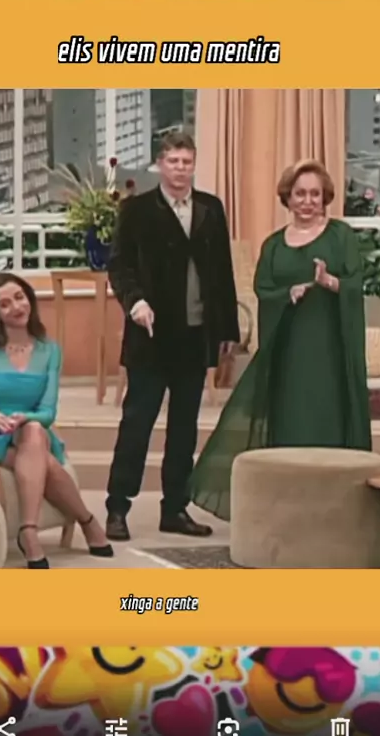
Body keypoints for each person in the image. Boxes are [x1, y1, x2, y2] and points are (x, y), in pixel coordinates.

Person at [189, 159, 372, 522]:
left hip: (330, 352)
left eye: (315, 194)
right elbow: (263, 289)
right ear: (287, 197)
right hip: (287, 352)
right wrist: (287, 294)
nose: (308, 201)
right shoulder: (273, 245)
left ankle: (331, 511)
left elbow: (355, 284)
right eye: (300, 194)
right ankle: (290, 510)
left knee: (326, 422)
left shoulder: (341, 237)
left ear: (326, 197)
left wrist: (329, 282)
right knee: (289, 423)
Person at [106, 130, 240, 541]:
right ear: (160, 165)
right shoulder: (137, 210)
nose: (180, 169)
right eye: (173, 161)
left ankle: (175, 508)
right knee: (137, 424)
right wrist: (135, 302)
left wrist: (227, 329)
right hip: (150, 336)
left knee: (184, 429)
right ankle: (117, 507)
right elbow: (120, 266)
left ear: (194, 164)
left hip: (194, 336)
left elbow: (222, 271)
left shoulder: (211, 208)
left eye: (187, 161)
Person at [0, 272, 113, 569]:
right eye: (5, 304)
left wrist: (24, 418)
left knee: (34, 430)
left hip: (25, 435)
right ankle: (87, 520)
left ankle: (27, 531)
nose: (16, 307)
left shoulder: (49, 350)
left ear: (29, 298)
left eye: (19, 297)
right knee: (45, 461)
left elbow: (47, 413)